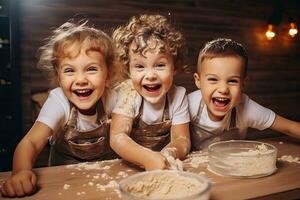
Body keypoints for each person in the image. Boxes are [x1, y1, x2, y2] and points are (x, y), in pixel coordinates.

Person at [0, 20, 119, 197]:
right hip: (63, 182)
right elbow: (30, 142)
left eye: (91, 69)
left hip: (105, 181)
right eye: (69, 71)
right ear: (58, 76)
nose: (81, 80)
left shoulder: (113, 98)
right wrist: (21, 172)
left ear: (107, 75)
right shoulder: (59, 101)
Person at [110, 14, 191, 171]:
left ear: (174, 67)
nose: (151, 75)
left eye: (160, 65)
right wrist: (147, 158)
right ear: (129, 70)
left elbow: (182, 139)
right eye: (140, 67)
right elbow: (118, 137)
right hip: (130, 166)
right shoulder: (128, 93)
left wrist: (168, 154)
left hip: (163, 164)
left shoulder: (178, 96)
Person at [189, 38, 300, 150]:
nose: (223, 89)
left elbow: (289, 127)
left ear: (243, 84)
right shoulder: (189, 105)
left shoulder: (246, 108)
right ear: (198, 80)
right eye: (213, 79)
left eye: (232, 81)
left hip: (232, 163)